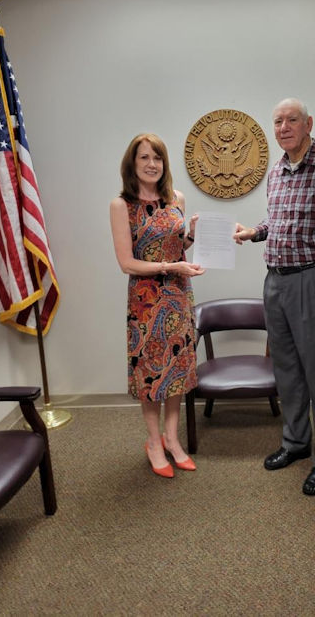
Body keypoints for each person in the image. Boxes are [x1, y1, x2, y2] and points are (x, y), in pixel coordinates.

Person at [234, 98, 315, 496]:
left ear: (309, 124)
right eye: (278, 121)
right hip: (276, 281)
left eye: (292, 120)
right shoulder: (277, 171)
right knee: (286, 372)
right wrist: (254, 232)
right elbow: (279, 221)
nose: (284, 126)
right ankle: (295, 443)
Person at [110, 133, 205, 478]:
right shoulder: (122, 205)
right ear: (132, 164)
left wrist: (192, 235)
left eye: (158, 158)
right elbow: (127, 263)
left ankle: (172, 439)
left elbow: (178, 248)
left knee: (177, 371)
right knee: (151, 373)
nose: (152, 164)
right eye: (144, 158)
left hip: (179, 296)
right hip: (147, 302)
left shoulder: (175, 197)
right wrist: (171, 267)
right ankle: (153, 442)